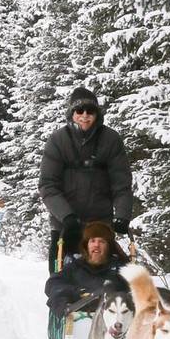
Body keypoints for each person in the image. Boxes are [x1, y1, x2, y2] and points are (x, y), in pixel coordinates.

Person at [39, 86, 134, 274]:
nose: (84, 115)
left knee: (105, 275)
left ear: (96, 114)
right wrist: (66, 216)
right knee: (60, 277)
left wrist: (122, 216)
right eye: (79, 110)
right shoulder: (58, 140)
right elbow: (48, 185)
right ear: (71, 113)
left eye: (90, 111)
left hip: (99, 225)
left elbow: (121, 184)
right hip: (65, 225)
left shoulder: (110, 139)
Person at [45, 221, 130, 319]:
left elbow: (137, 291)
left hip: (114, 321)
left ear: (109, 246)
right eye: (92, 241)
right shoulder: (75, 266)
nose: (96, 245)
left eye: (102, 241)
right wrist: (80, 292)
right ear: (86, 245)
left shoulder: (121, 268)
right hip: (77, 320)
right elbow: (52, 285)